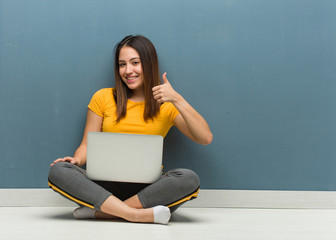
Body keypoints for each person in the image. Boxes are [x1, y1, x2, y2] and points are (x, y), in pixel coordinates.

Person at [48, 35, 213, 224]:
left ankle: (103, 211)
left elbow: (205, 137)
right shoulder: (103, 97)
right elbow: (86, 146)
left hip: (148, 189)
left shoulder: (166, 105)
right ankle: (135, 214)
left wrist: (177, 98)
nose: (128, 70)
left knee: (189, 179)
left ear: (149, 64)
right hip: (104, 186)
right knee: (58, 171)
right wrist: (76, 160)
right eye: (122, 64)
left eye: (135, 63)